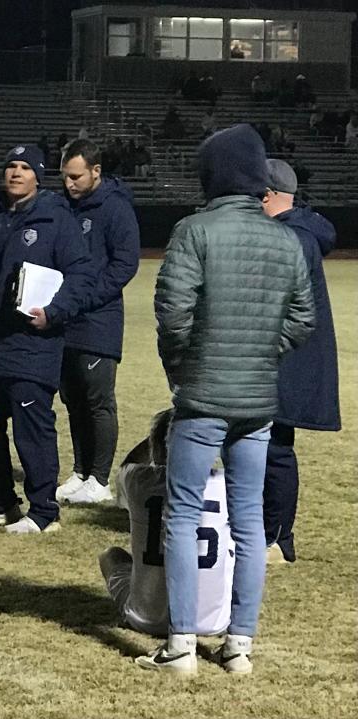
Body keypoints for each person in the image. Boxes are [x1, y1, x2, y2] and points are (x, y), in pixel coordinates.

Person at [138, 124, 314, 675]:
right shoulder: (284, 237)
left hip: (203, 398)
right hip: (258, 402)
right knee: (250, 523)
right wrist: (263, 353)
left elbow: (172, 312)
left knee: (183, 516)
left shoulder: (195, 230)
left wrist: (183, 368)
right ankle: (240, 645)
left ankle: (182, 644)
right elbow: (302, 317)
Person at [0, 144, 92, 532]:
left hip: (32, 342)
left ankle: (43, 511)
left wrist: (53, 313)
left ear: (38, 176)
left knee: (31, 425)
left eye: (25, 167)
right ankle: (0, 499)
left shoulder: (57, 220)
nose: (16, 173)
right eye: (11, 166)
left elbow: (82, 276)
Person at [260, 160, 340, 564]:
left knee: (273, 449)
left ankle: (276, 538)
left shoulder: (291, 237)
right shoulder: (303, 230)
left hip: (283, 361)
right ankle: (268, 533)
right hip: (289, 360)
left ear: (268, 194)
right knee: (267, 446)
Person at [100, 409, 234, 637]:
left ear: (157, 446)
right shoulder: (226, 484)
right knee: (235, 550)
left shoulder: (138, 480)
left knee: (110, 555)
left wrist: (159, 436)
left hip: (147, 618)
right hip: (214, 621)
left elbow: (127, 466)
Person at [57, 139, 140, 505]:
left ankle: (100, 479)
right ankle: (81, 471)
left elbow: (125, 264)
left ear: (96, 172)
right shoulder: (65, 208)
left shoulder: (116, 209)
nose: (70, 183)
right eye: (65, 177)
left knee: (97, 399)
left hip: (98, 319)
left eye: (76, 177)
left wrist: (87, 297)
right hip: (66, 317)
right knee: (72, 397)